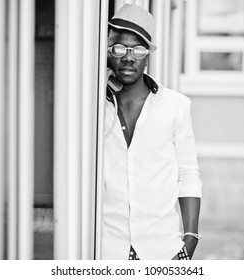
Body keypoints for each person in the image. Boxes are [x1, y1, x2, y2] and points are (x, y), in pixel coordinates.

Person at [102, 4, 202, 260]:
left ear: (147, 55)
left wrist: (190, 239)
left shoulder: (176, 106)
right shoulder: (92, 108)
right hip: (105, 249)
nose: (128, 57)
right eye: (119, 48)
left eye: (138, 49)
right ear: (107, 52)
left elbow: (188, 174)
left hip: (163, 250)